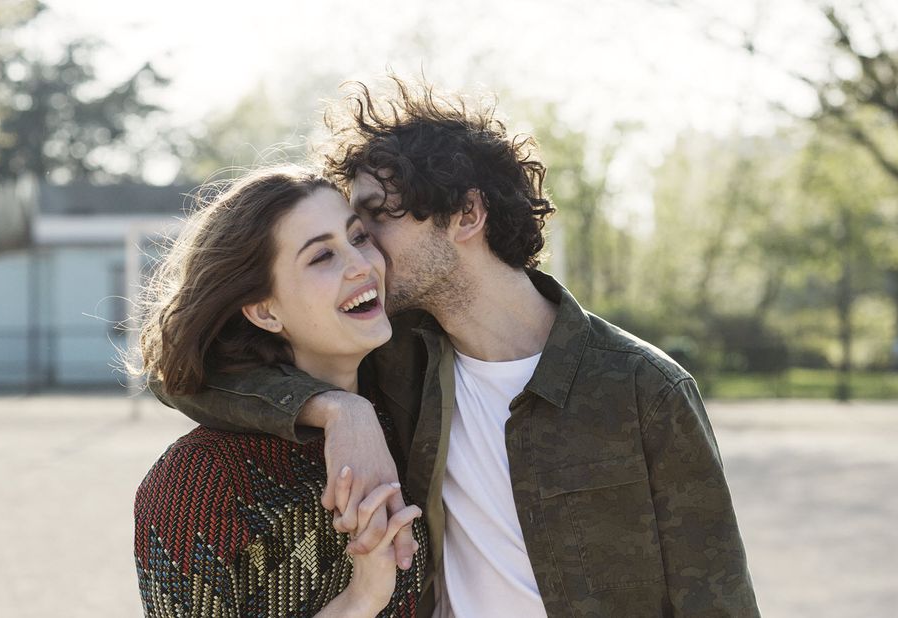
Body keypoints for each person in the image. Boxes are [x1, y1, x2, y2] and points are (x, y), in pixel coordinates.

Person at [153, 79, 760, 617]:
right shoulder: (397, 362)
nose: (364, 257)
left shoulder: (643, 389)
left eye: (370, 225)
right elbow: (192, 375)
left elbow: (718, 598)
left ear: (466, 213)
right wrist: (341, 411)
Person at [132, 168, 428, 617]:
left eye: (360, 238)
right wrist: (362, 599)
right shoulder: (199, 480)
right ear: (265, 311)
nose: (362, 265)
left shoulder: (409, 422)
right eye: (322, 257)